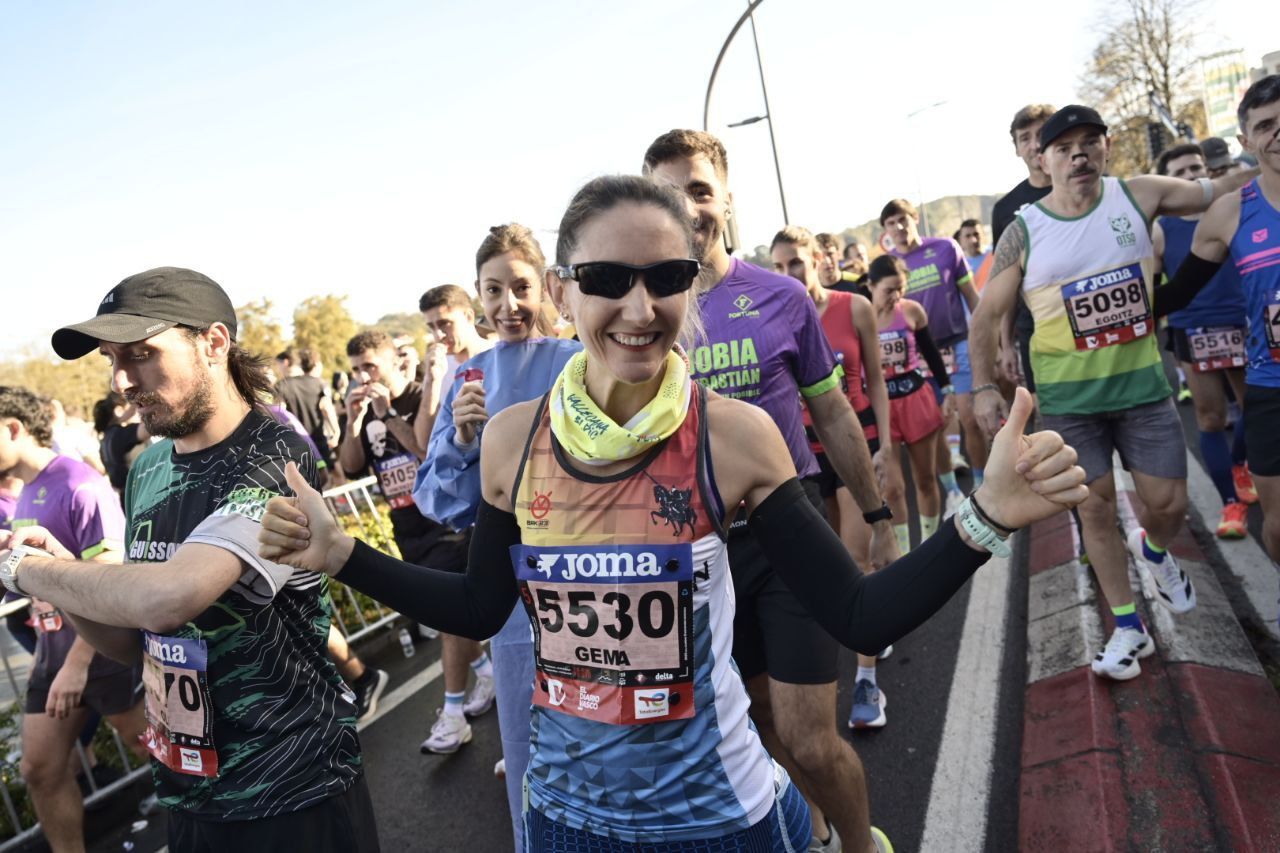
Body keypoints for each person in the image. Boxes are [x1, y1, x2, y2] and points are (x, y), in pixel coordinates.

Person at [257, 174, 1087, 852]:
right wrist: (343, 556)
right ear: (563, 289)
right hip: (563, 821)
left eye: (666, 278)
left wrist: (987, 513)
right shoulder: (513, 441)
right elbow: (481, 607)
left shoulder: (732, 437)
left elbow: (857, 610)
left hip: (721, 819)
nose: (639, 306)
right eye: (607, 279)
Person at [0, 267, 376, 851]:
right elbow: (135, 640)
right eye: (111, 359)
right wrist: (64, 577)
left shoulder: (276, 454)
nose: (122, 381)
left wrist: (24, 570)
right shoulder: (148, 468)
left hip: (291, 788)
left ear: (215, 343)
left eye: (143, 354)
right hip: (189, 790)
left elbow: (168, 598)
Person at [644, 129, 895, 853]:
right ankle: (810, 829)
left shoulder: (781, 297)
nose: (686, 206)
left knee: (809, 737)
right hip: (699, 555)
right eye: (666, 192)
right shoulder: (647, 317)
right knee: (755, 717)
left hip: (787, 538)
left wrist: (875, 509)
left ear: (725, 198)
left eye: (697, 188)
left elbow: (833, 411)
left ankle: (860, 840)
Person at [971, 106, 1259, 680]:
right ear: (1043, 160)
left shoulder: (1138, 194)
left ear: (1105, 149)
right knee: (1095, 511)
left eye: (1089, 143)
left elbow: (1215, 189)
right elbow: (986, 317)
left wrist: (1265, 163)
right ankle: (1128, 627)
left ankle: (1153, 552)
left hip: (1144, 393)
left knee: (1168, 505)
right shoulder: (1023, 230)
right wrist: (984, 387)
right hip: (1070, 405)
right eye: (1064, 147)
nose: (1078, 154)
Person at [413, 223, 582, 849]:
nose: (508, 304)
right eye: (493, 290)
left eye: (520, 287)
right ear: (478, 299)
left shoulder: (579, 360)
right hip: (513, 596)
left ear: (546, 288)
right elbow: (441, 501)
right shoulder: (469, 379)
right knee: (526, 742)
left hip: (594, 579)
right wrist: (459, 441)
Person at [0, 385, 147, 853]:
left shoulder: (79, 484)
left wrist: (78, 663)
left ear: (13, 428)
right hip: (52, 654)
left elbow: (110, 580)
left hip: (99, 653)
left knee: (163, 752)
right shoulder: (27, 492)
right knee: (39, 770)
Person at [339, 329, 490, 754]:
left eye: (369, 366)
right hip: (406, 528)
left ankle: (454, 713)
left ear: (393, 363)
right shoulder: (363, 410)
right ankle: (486, 670)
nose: (362, 376)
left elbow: (425, 450)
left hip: (444, 521)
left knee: (448, 619)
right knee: (449, 619)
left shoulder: (424, 395)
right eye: (355, 370)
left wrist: (388, 416)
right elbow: (350, 467)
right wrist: (353, 422)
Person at [769, 227, 895, 732]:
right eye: (778, 268)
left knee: (857, 559)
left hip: (852, 442)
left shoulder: (854, 306)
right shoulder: (772, 312)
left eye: (796, 263)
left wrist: (884, 443)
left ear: (820, 260)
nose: (789, 276)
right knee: (821, 570)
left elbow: (877, 381)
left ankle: (866, 681)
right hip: (800, 457)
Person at [1163, 75, 1280, 572]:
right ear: (1246, 141)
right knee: (1278, 525)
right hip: (1271, 386)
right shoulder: (1231, 212)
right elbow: (1177, 292)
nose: (1278, 133)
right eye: (1267, 125)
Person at [1152, 143, 1255, 538]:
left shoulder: (1232, 209)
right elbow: (1151, 284)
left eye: (1197, 167)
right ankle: (1231, 504)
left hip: (1243, 324)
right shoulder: (1162, 229)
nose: (1193, 175)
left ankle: (1242, 462)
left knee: (1256, 409)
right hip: (1193, 329)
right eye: (1181, 172)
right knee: (1210, 418)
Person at [881, 197, 985, 508]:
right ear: (885, 230)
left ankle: (982, 484)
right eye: (891, 223)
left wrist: (988, 340)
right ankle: (953, 491)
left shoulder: (944, 248)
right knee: (935, 425)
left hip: (957, 342)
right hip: (919, 356)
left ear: (915, 219)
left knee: (968, 416)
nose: (899, 227)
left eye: (903, 219)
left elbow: (972, 297)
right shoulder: (889, 264)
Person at [866, 255, 955, 559]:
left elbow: (931, 353)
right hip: (880, 407)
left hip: (916, 399)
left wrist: (947, 390)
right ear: (870, 286)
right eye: (888, 290)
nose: (895, 297)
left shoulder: (912, 311)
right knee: (892, 489)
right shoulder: (860, 318)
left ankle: (929, 543)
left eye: (900, 289)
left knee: (926, 479)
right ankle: (905, 553)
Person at [991, 104, 1056, 393]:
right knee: (1055, 425)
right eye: (1025, 138)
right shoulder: (1006, 209)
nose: (1035, 144)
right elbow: (1005, 286)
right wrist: (1007, 345)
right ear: (1016, 148)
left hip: (1096, 323)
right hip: (1037, 330)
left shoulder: (1090, 188)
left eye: (1042, 134)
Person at [415, 285, 494, 450]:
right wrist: (431, 381)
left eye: (445, 323)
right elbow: (424, 442)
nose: (438, 335)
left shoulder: (498, 354)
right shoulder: (438, 368)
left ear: (469, 316)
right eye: (432, 327)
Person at [275, 347, 340, 482]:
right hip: (320, 437)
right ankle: (342, 502)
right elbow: (326, 407)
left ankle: (327, 503)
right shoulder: (317, 382)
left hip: (300, 443)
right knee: (333, 473)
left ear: (286, 363)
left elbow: (280, 413)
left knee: (313, 480)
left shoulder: (281, 386)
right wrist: (336, 430)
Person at [815, 232, 870, 298]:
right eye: (821, 256)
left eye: (830, 254)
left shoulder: (859, 283)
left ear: (838, 254)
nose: (827, 261)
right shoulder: (811, 292)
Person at [955, 220, 989, 288]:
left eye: (976, 234)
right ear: (960, 239)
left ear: (983, 235)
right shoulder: (957, 266)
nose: (973, 240)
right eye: (968, 236)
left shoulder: (993, 257)